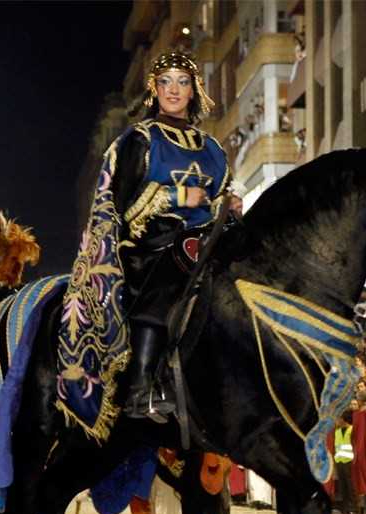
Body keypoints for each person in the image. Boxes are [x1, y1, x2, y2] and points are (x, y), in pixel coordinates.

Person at [58, 52, 234, 427]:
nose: (174, 90)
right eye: (166, 82)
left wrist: (228, 206)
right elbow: (120, 204)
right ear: (154, 89)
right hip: (152, 245)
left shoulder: (212, 148)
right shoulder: (140, 140)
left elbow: (219, 196)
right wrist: (177, 196)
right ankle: (141, 389)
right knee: (167, 280)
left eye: (182, 82)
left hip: (207, 242)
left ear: (193, 90)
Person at [333, 412, 357, 514]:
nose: (336, 421)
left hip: (349, 461)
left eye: (338, 419)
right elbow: (336, 447)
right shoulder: (337, 431)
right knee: (342, 486)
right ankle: (344, 509)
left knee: (350, 485)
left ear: (343, 419)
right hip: (339, 461)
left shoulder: (352, 429)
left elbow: (355, 445)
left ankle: (353, 508)